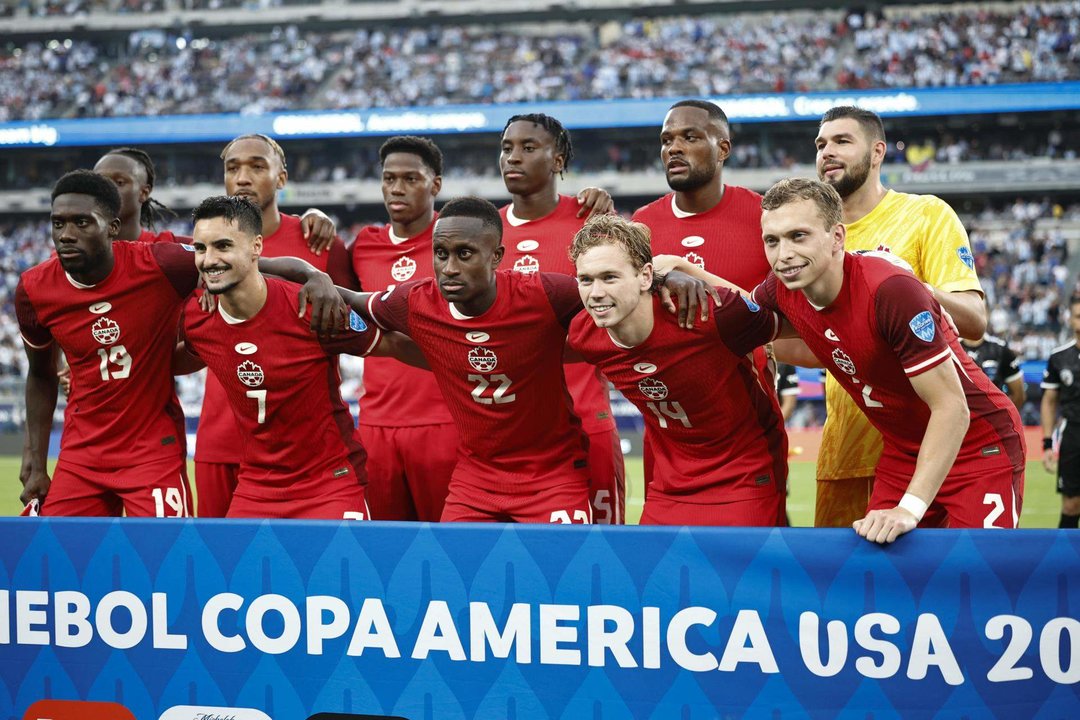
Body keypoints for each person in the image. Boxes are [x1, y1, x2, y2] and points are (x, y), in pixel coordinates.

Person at [343, 197, 709, 523]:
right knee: (456, 584)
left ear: (497, 257)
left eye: (465, 254)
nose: (449, 267)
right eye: (441, 254)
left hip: (551, 475)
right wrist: (307, 274)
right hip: (476, 479)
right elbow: (351, 300)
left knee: (564, 585)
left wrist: (668, 276)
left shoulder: (543, 294)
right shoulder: (416, 301)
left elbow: (614, 290)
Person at [749, 179, 1024, 543]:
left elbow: (952, 409)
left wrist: (909, 509)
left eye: (798, 236)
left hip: (979, 446)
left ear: (837, 237)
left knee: (976, 582)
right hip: (903, 451)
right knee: (888, 585)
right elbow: (734, 316)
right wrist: (683, 273)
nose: (783, 253)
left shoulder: (891, 289)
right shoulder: (780, 288)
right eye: (773, 240)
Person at [180, 196, 422, 520]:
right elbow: (171, 361)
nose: (209, 260)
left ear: (256, 247)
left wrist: (461, 362)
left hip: (329, 482)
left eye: (223, 246)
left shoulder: (311, 309)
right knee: (242, 571)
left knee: (344, 571)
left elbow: (393, 344)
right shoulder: (199, 319)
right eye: (201, 248)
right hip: (257, 487)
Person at [809, 106, 987, 529]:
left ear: (877, 152)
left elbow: (976, 322)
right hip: (844, 450)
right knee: (839, 591)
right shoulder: (811, 235)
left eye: (841, 141)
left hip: (927, 451)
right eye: (820, 144)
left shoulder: (925, 215)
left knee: (932, 590)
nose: (827, 152)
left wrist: (907, 285)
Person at [568, 214, 787, 525]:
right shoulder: (585, 334)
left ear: (646, 276)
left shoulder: (708, 313)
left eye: (610, 277)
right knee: (651, 574)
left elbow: (796, 327)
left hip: (743, 477)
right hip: (669, 488)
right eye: (586, 280)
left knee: (732, 575)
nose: (596, 292)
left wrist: (680, 265)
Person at [16, 171, 198, 516]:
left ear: (113, 227)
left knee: (167, 559)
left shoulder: (161, 265)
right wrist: (35, 459)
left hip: (151, 449)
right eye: (58, 224)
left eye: (82, 223)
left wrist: (311, 276)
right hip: (82, 452)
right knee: (58, 561)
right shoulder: (33, 290)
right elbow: (40, 375)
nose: (66, 235)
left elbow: (240, 263)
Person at [195, 133, 359, 517]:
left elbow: (354, 320)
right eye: (233, 168)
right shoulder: (201, 251)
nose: (243, 178)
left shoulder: (319, 244)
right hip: (220, 441)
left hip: (304, 455)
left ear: (282, 178)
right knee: (225, 571)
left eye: (257, 166)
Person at [498, 113, 625, 525]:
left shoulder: (592, 223)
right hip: (504, 437)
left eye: (528, 148)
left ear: (558, 160)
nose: (513, 158)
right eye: (506, 148)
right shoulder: (482, 233)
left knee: (602, 565)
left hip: (586, 419)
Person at [350, 136, 457, 521]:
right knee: (384, 555)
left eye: (411, 178)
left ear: (436, 184)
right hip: (377, 425)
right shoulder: (363, 245)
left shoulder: (459, 241)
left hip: (446, 422)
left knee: (451, 551)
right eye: (389, 178)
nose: (397, 187)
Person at [630, 100, 769, 291]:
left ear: (723, 150)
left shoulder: (764, 215)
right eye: (666, 140)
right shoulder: (642, 223)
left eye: (690, 138)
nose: (673, 149)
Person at [1040, 295, 1080, 529]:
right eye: (1078, 316)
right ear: (1070, 320)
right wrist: (1047, 444)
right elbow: (1049, 401)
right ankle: (1067, 564)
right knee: (1071, 506)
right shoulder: (1059, 357)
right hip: (1073, 435)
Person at [93, 147, 181, 243]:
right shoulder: (78, 250)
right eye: (99, 181)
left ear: (144, 193)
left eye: (119, 182)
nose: (106, 188)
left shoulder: (166, 250)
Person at [961, 334, 1025, 409]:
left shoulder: (1001, 348)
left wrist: (1001, 417)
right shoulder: (950, 347)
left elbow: (1018, 396)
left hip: (993, 414)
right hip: (958, 415)